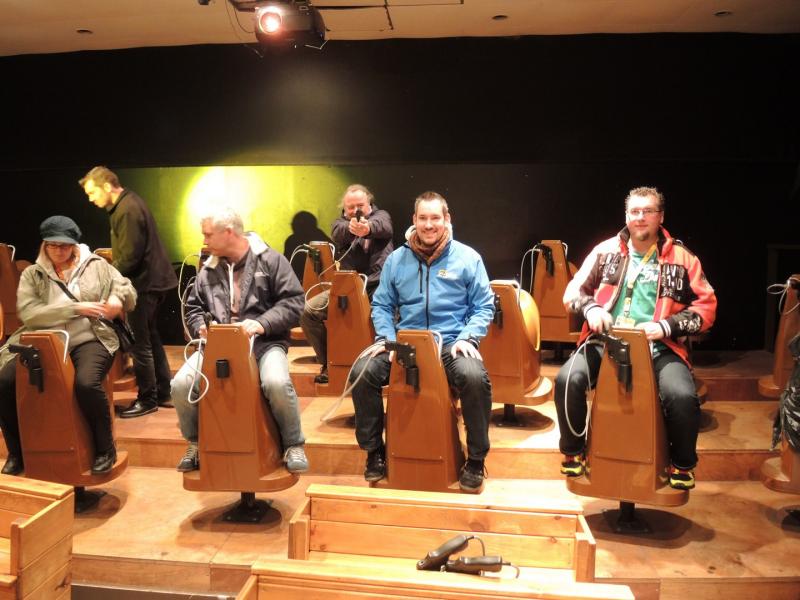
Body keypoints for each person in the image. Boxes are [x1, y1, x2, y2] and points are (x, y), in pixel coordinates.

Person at [555, 186, 717, 490]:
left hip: (660, 345)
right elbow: (572, 292)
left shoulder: (683, 258)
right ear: (626, 215)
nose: (640, 217)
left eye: (648, 211)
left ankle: (682, 464)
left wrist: (666, 326)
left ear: (661, 216)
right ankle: (573, 451)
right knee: (567, 381)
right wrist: (591, 309)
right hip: (605, 340)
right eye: (634, 211)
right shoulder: (605, 251)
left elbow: (706, 308)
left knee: (682, 397)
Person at [349, 191, 494, 492]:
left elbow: (483, 306)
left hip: (450, 342)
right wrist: (387, 339)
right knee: (362, 373)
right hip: (405, 344)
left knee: (474, 378)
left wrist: (469, 337)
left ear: (447, 219)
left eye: (435, 218)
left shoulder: (468, 258)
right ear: (414, 220)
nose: (429, 225)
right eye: (423, 218)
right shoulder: (396, 260)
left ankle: (476, 459)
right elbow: (382, 305)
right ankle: (375, 452)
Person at [170, 206, 309, 474]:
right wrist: (200, 327)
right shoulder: (208, 268)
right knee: (180, 385)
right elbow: (193, 307)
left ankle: (293, 444)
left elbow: (294, 302)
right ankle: (195, 442)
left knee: (277, 383)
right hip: (218, 347)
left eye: (208, 234)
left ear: (229, 232)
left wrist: (262, 323)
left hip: (265, 344)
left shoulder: (271, 260)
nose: (204, 241)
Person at [0, 216, 136, 475]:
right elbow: (29, 314)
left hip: (90, 338)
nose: (59, 250)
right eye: (53, 245)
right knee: (4, 382)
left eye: (64, 245)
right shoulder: (33, 273)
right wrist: (75, 308)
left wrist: (117, 299)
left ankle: (105, 448)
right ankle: (17, 453)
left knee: (86, 383)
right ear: (44, 244)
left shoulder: (96, 265)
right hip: (43, 340)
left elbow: (126, 288)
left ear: (74, 244)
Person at [80, 166, 178, 418]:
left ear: (106, 186)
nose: (91, 199)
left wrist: (107, 279)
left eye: (92, 192)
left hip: (143, 285)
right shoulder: (128, 204)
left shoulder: (127, 209)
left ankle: (148, 399)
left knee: (139, 343)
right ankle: (163, 392)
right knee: (150, 338)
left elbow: (130, 257)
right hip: (151, 283)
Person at [299, 184, 393, 384]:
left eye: (360, 205)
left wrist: (368, 228)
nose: (356, 210)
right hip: (348, 287)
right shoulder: (339, 224)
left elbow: (384, 226)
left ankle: (385, 367)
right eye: (351, 207)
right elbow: (338, 232)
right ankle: (327, 362)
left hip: (379, 286)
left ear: (369, 203)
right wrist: (353, 228)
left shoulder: (381, 216)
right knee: (309, 311)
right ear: (344, 208)